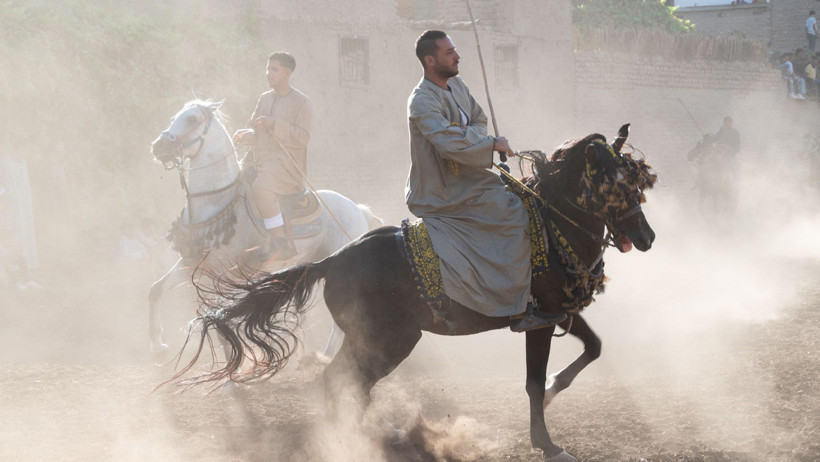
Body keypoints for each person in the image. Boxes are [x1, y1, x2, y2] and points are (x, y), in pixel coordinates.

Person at [405, 30, 565, 332]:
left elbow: (478, 119)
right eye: (449, 52)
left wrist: (474, 138)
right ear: (430, 60)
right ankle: (518, 306)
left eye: (455, 49)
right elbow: (447, 143)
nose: (457, 56)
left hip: (471, 178)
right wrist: (489, 144)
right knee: (514, 214)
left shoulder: (457, 85)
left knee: (526, 199)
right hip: (442, 190)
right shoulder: (421, 101)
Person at [234, 52, 313, 260]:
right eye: (268, 68)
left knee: (260, 189)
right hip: (260, 161)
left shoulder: (302, 102)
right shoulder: (264, 98)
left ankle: (280, 242)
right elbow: (256, 130)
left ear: (287, 73)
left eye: (274, 69)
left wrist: (274, 123)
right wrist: (247, 135)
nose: (268, 73)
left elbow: (303, 137)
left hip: (286, 165)